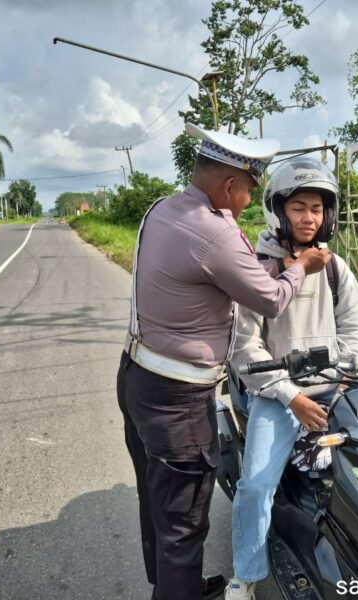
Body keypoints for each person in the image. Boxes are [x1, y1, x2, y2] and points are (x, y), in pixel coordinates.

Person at [116, 124, 332, 600]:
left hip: (137, 375)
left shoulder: (163, 209)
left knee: (156, 496)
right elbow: (272, 300)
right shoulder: (217, 232)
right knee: (184, 521)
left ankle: (180, 583)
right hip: (178, 397)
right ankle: (178, 591)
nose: (250, 202)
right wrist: (300, 268)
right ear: (230, 185)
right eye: (249, 191)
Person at [224, 156, 358, 600]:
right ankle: (245, 574)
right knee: (256, 486)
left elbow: (355, 326)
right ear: (278, 209)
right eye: (300, 207)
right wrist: (291, 397)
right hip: (279, 396)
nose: (310, 217)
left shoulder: (333, 267)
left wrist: (345, 378)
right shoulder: (257, 267)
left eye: (318, 208)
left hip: (336, 386)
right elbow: (245, 346)